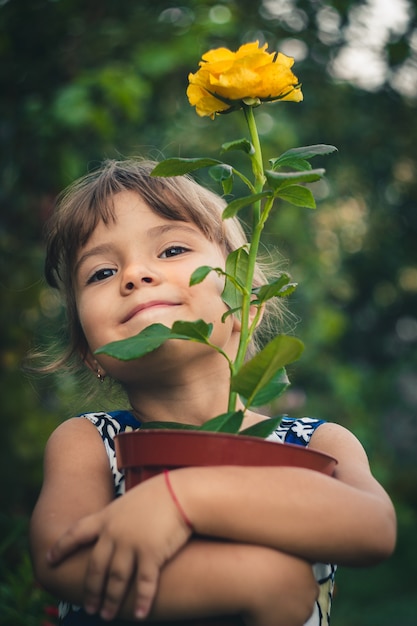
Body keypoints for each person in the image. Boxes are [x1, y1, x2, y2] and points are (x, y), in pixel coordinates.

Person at [30, 158, 396, 626]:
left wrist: (184, 498)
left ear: (247, 304)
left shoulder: (316, 444)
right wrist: (260, 581)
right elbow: (60, 560)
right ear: (89, 353)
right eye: (101, 273)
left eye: (172, 249)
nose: (135, 274)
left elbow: (374, 528)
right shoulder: (90, 444)